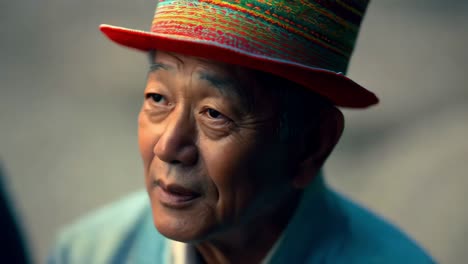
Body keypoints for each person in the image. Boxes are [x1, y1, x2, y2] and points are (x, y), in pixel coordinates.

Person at [48, 0, 434, 263]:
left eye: (214, 113)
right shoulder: (87, 252)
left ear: (312, 144)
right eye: (157, 98)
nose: (168, 146)